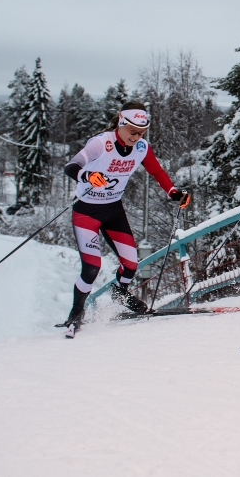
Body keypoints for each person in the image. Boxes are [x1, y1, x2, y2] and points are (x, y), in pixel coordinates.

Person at [59, 102, 189, 329]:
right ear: (121, 122)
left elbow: (156, 171)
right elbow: (71, 166)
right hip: (87, 211)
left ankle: (120, 293)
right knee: (91, 268)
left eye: (141, 133)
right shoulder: (101, 143)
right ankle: (76, 313)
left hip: (113, 210)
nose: (136, 137)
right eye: (132, 131)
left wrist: (173, 192)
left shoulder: (141, 148)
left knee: (130, 264)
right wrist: (87, 175)